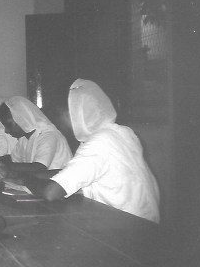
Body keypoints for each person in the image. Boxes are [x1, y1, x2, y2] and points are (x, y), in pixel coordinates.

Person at [25, 79, 160, 223]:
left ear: (73, 113)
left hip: (128, 228)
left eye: (61, 115)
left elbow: (51, 193)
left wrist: (25, 180)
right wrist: (23, 175)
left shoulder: (99, 142)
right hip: (146, 222)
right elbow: (71, 173)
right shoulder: (123, 132)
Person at [0, 96, 72, 178]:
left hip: (61, 186)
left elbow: (38, 167)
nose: (6, 131)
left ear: (21, 119)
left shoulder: (48, 135)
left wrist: (5, 165)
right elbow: (14, 159)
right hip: (43, 184)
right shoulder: (24, 139)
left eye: (8, 125)